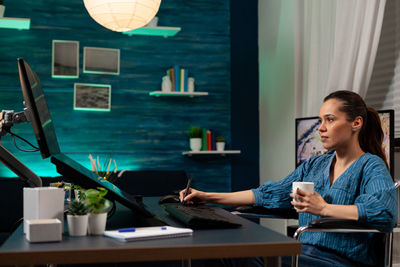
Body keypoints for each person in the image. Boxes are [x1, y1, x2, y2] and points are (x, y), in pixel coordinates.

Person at [180, 90, 398, 267]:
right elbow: (269, 193)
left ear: (356, 123)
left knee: (243, 257)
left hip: (340, 260)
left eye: (330, 120)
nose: (321, 128)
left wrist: (323, 208)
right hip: (302, 252)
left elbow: (383, 211)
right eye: (320, 120)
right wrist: (208, 197)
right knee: (229, 251)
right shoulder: (316, 164)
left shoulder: (371, 166)